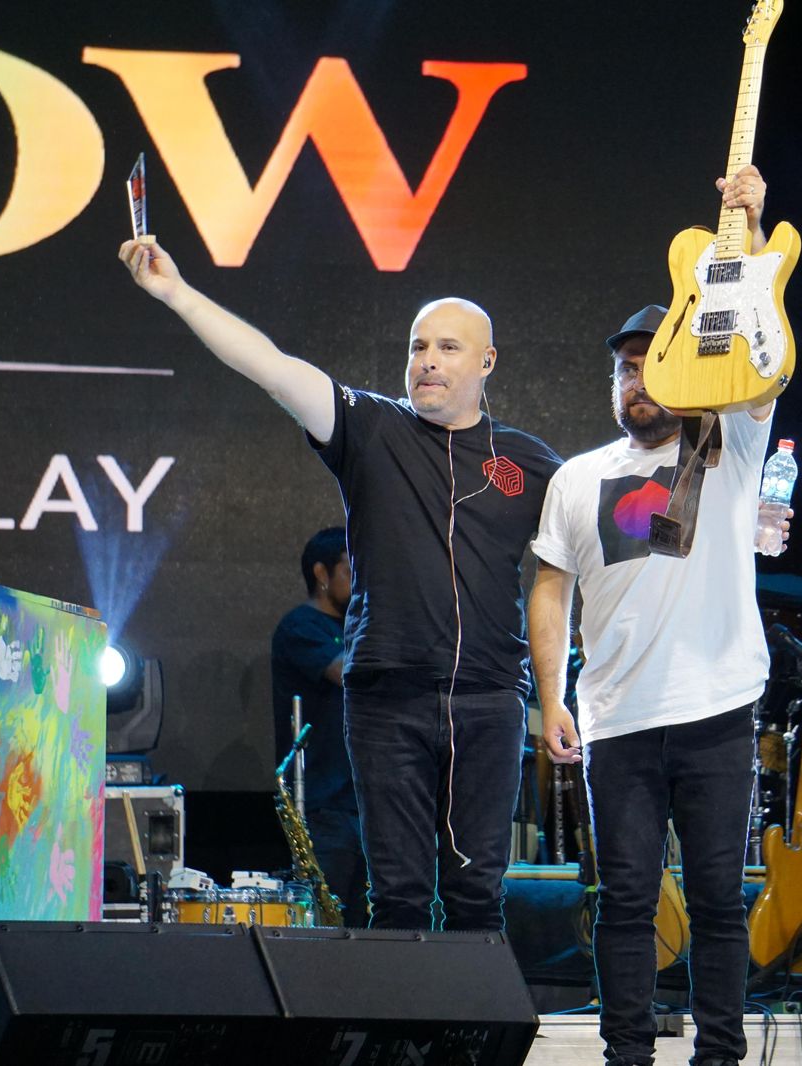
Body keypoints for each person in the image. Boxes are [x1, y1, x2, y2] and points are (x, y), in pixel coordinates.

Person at [118, 240, 561, 931]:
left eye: (448, 347)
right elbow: (270, 366)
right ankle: (401, 1010)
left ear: (486, 362)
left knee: (478, 897)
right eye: (418, 347)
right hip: (387, 700)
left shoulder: (529, 463)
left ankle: (472, 1007)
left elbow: (599, 543)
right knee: (399, 896)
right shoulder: (371, 426)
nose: (428, 360)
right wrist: (176, 293)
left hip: (488, 698)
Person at [528, 168, 776, 1066]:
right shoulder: (576, 477)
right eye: (625, 368)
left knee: (716, 901)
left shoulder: (727, 441)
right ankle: (625, 1054)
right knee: (626, 901)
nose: (637, 379)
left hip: (715, 710)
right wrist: (549, 697)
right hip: (617, 718)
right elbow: (548, 588)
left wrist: (747, 228)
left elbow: (760, 346)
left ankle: (719, 1055)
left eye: (652, 362)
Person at [271, 526, 368, 926]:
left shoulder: (355, 628)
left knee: (373, 920)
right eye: (350, 570)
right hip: (325, 803)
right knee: (326, 920)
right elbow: (346, 672)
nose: (359, 581)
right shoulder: (301, 626)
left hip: (368, 802)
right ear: (321, 573)